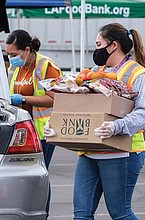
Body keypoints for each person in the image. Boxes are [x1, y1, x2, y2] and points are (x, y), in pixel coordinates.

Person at [45, 22, 145, 220]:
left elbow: (142, 113)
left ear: (113, 45)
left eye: (98, 44)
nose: (95, 49)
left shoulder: (136, 73)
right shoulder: (95, 72)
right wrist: (55, 125)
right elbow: (83, 107)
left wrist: (117, 126)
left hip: (123, 152)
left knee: (120, 213)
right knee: (81, 215)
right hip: (90, 151)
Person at [5, 29, 63, 219]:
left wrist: (23, 98)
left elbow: (57, 98)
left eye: (13, 54)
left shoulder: (46, 66)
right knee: (23, 177)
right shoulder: (14, 67)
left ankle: (42, 214)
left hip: (45, 131)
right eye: (8, 54)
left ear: (27, 50)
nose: (10, 58)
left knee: (40, 176)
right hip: (22, 131)